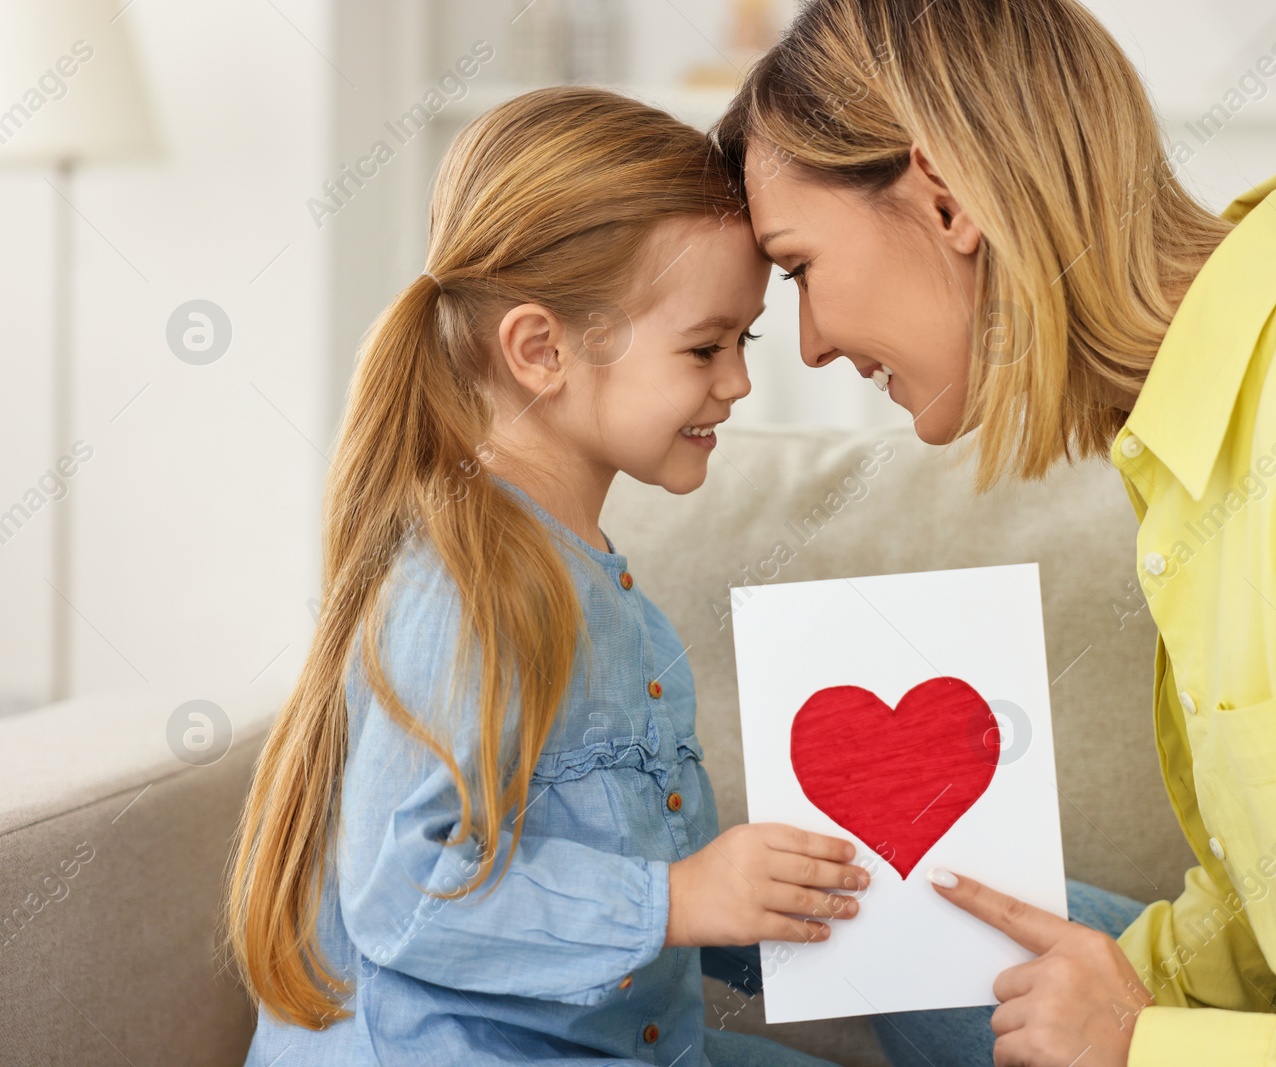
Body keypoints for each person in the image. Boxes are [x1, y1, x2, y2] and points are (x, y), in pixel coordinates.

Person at [712, 1, 1276, 1064]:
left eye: (798, 267)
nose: (805, 345)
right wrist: (1129, 986)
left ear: (943, 197)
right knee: (906, 929)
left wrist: (1146, 1043)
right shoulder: (1195, 442)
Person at [225, 85, 871, 1067]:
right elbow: (403, 893)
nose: (737, 380)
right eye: (705, 345)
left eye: (744, 341)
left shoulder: (605, 591)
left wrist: (763, 898)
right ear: (541, 349)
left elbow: (634, 871)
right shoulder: (460, 584)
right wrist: (681, 897)